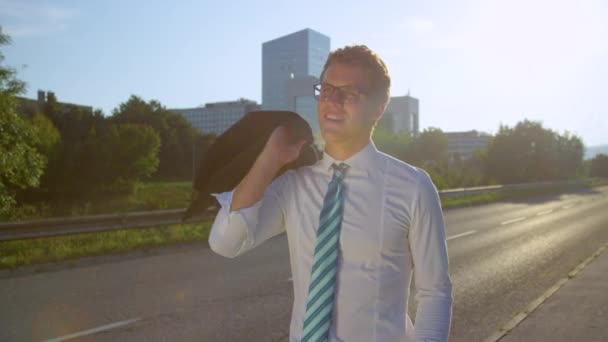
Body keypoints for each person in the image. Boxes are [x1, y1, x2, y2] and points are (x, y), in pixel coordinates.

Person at [209, 45, 452, 341]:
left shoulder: (413, 187)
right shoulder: (294, 185)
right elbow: (225, 243)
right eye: (326, 90)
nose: (332, 101)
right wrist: (269, 159)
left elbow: (434, 292)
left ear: (377, 108)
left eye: (348, 93)